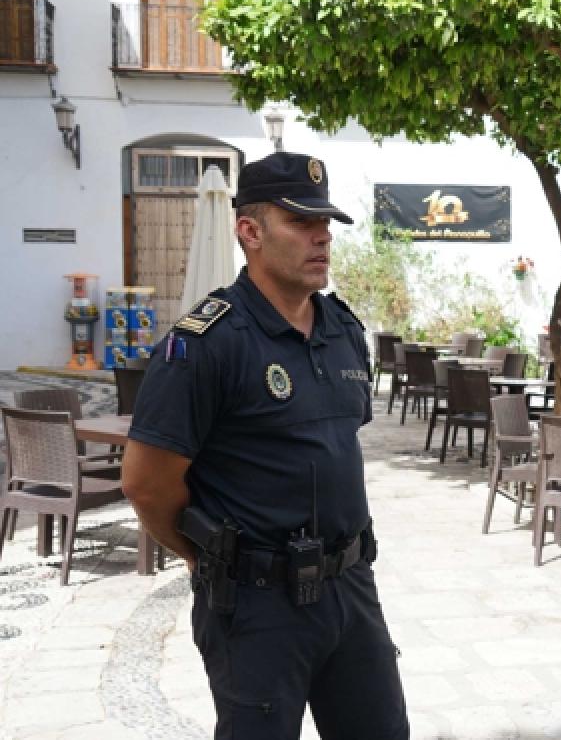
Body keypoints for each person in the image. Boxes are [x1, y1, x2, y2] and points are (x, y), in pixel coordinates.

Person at [121, 152, 409, 740]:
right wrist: (205, 555)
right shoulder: (206, 343)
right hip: (257, 603)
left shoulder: (343, 331)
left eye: (325, 222)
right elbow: (146, 484)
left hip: (351, 587)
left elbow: (336, 444)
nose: (322, 235)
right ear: (249, 232)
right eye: (301, 221)